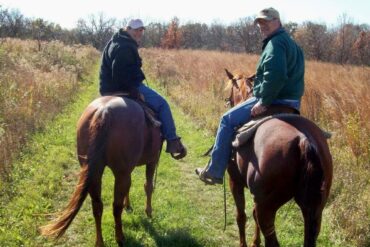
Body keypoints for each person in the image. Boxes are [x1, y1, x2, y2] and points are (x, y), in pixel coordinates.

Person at [195, 7, 305, 184]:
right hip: (292, 103)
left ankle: (214, 171)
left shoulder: (275, 44)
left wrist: (264, 102)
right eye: (260, 23)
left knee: (226, 119)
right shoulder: (293, 45)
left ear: (278, 21)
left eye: (267, 21)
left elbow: (275, 76)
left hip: (273, 98)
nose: (263, 26)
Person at [99, 19, 187, 159]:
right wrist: (134, 91)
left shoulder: (115, 41)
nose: (139, 32)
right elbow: (119, 73)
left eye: (141, 30)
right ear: (127, 29)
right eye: (136, 30)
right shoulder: (125, 46)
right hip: (124, 87)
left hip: (107, 89)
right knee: (163, 104)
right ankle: (172, 141)